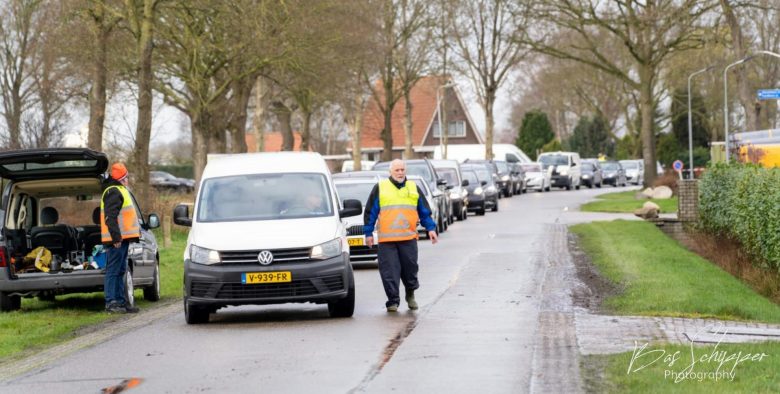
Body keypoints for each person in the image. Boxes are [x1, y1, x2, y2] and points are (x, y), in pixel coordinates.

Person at [364, 159, 438, 312]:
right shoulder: (381, 188)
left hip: (408, 238)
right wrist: (368, 233)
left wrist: (431, 229)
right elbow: (371, 212)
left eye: (402, 170)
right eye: (397, 170)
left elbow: (424, 211)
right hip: (387, 240)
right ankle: (393, 301)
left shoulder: (413, 188)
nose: (400, 173)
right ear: (390, 172)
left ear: (405, 171)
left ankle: (410, 294)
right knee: (389, 272)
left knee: (410, 269)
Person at [100, 163, 141, 314]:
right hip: (116, 240)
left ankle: (121, 302)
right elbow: (110, 218)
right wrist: (116, 238)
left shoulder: (118, 190)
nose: (128, 180)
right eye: (127, 177)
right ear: (122, 179)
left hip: (122, 239)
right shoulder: (114, 191)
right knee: (113, 270)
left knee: (120, 270)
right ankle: (112, 302)